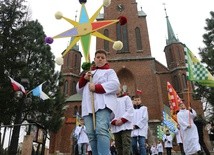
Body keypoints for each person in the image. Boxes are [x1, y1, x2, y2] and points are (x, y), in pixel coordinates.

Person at [76, 49, 120, 155]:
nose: (100, 59)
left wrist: (97, 87)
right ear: (94, 59)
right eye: (98, 57)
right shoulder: (89, 73)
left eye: (102, 57)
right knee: (91, 134)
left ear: (106, 60)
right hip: (88, 106)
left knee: (101, 129)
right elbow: (78, 90)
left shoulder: (110, 72)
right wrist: (84, 79)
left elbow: (115, 85)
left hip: (103, 104)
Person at [110, 88, 134, 155]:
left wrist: (122, 120)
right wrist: (114, 121)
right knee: (118, 147)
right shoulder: (111, 100)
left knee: (126, 145)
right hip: (116, 126)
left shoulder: (126, 98)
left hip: (125, 126)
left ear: (121, 89)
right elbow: (109, 113)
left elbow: (130, 110)